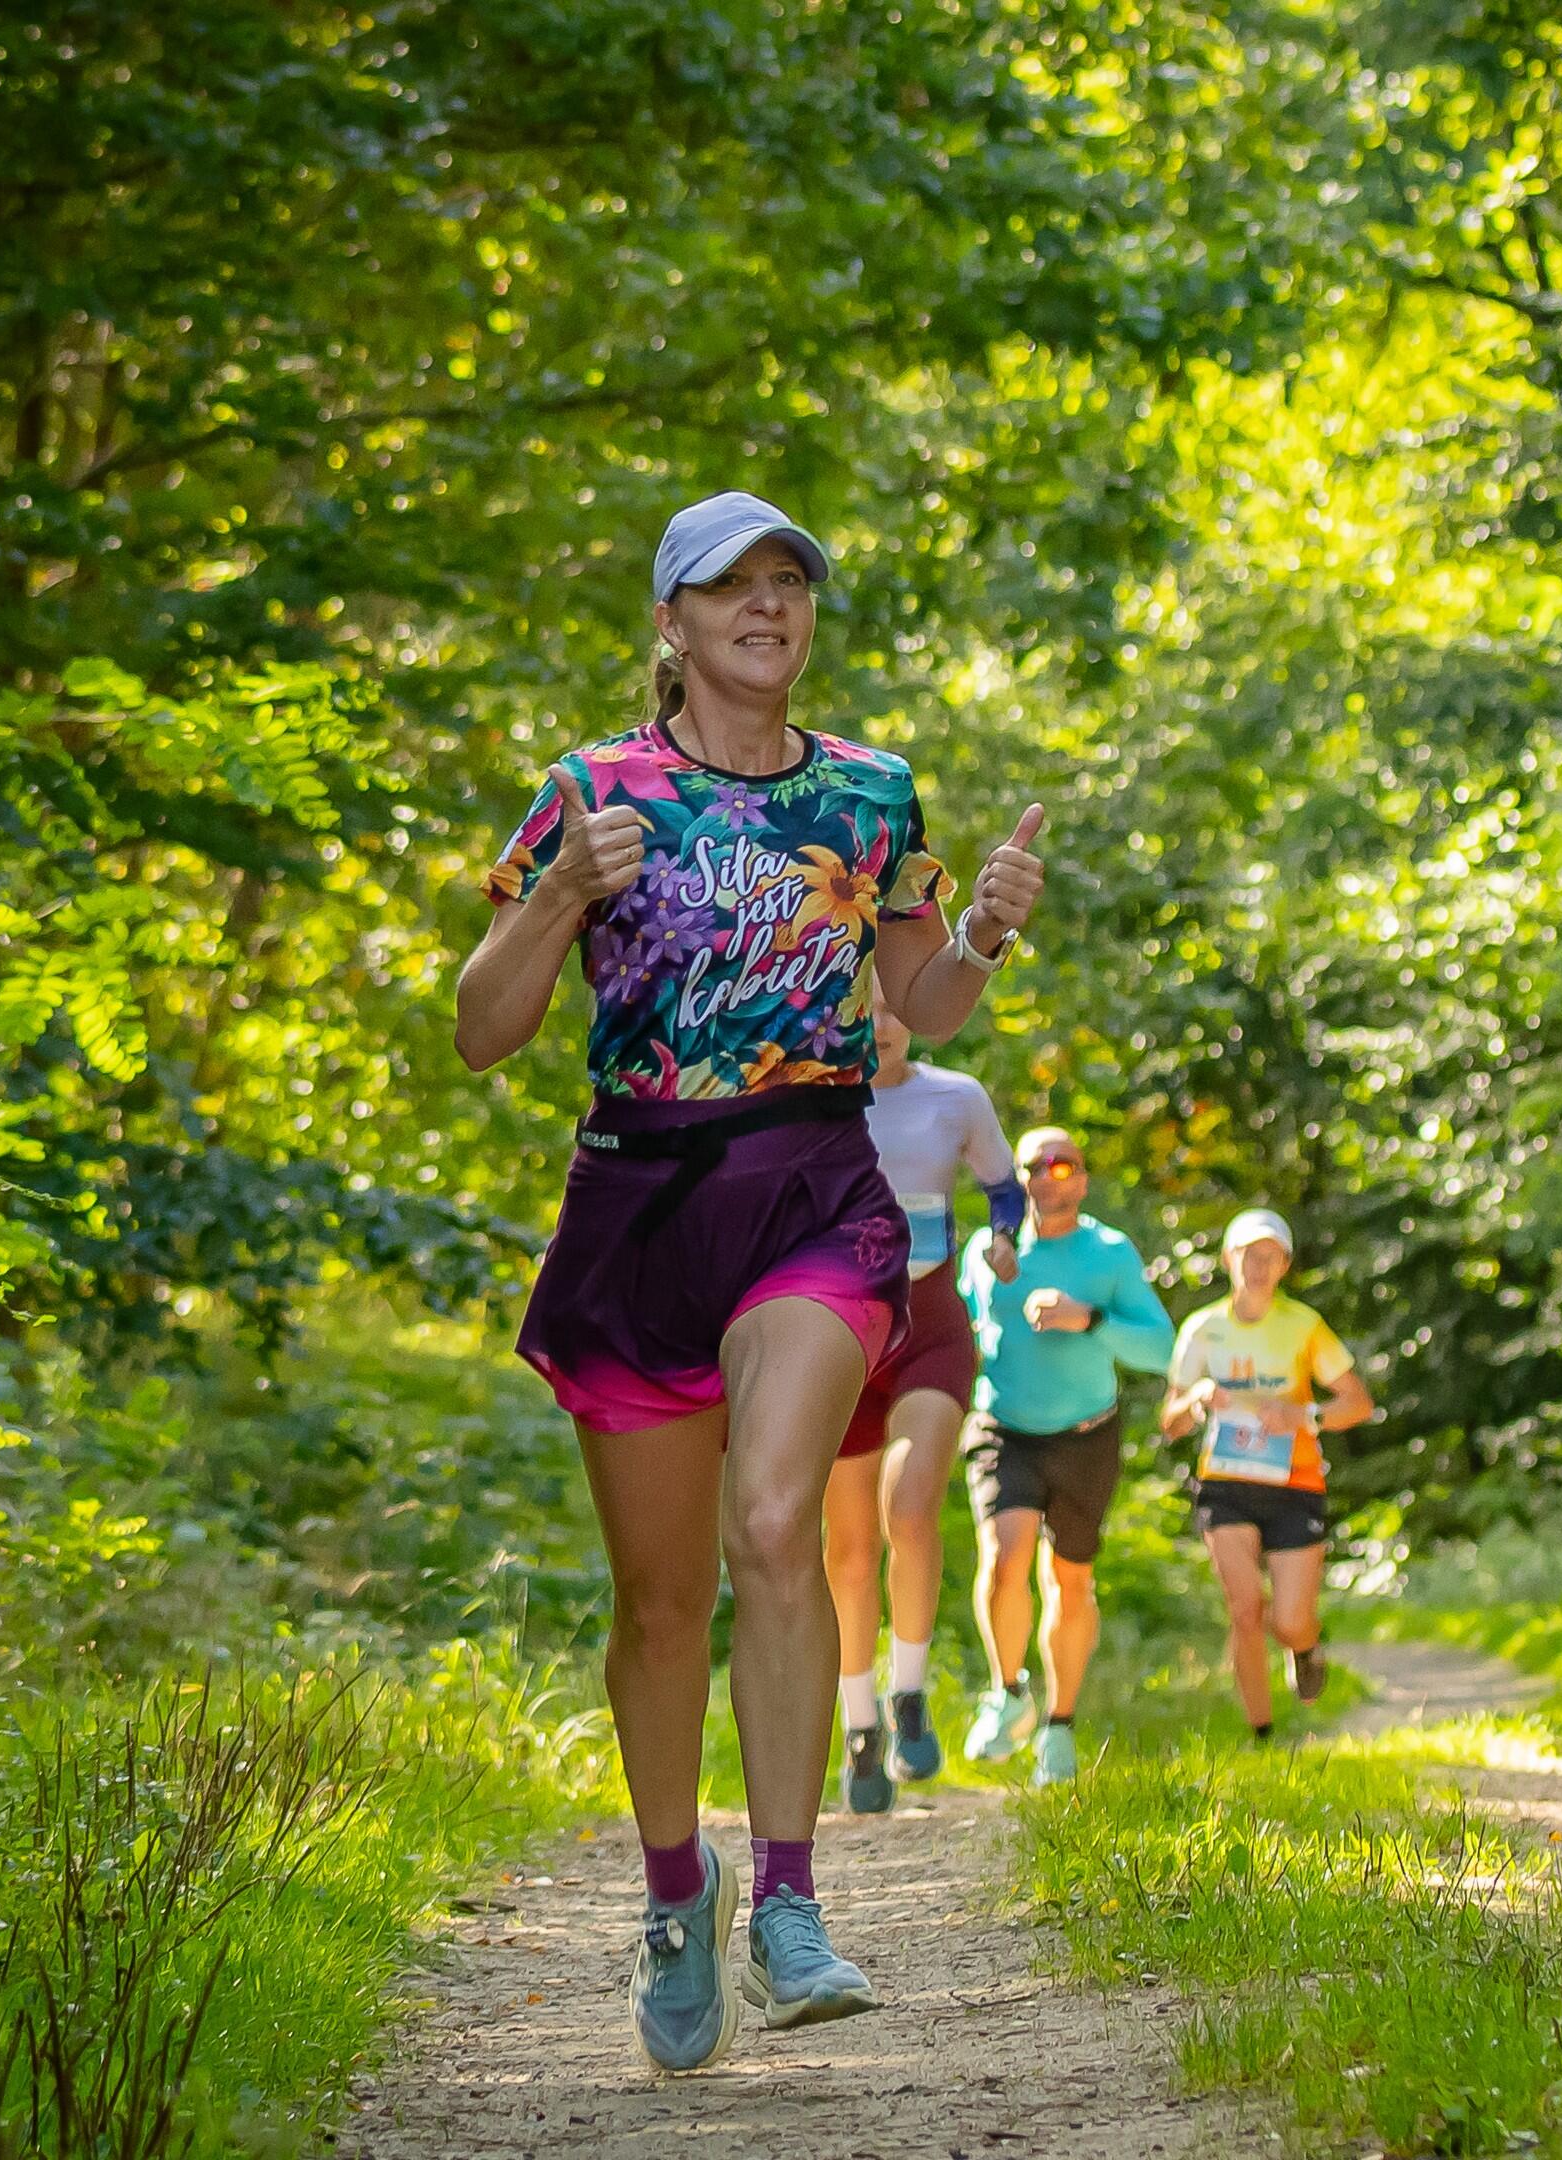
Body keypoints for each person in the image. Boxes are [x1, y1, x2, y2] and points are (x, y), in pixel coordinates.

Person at [452, 490, 1047, 2075]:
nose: (767, 607)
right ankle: (676, 1897)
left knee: (777, 1521)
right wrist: (563, 894)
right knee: (660, 1606)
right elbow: (482, 1031)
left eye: (790, 583)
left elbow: (926, 998)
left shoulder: (869, 792)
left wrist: (983, 935)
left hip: (812, 1190)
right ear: (674, 622)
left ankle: (790, 1902)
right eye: (732, 587)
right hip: (640, 1202)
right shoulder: (592, 794)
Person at [822, 979, 1026, 1813]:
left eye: (896, 1006)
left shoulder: (956, 1097)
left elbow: (1004, 1188)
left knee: (909, 1508)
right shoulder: (812, 1099)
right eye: (865, 1007)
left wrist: (1005, 1240)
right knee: (847, 1550)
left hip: (929, 1329)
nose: (883, 1024)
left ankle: (909, 1692)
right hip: (838, 1339)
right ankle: (859, 1726)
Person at [954, 1125, 1175, 1783]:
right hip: (1003, 1427)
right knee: (1004, 1557)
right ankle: (1007, 1692)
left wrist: (1091, 1319)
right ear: (1015, 1178)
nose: (1049, 1174)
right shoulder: (986, 1251)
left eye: (1063, 1163)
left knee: (1069, 1581)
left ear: (1082, 1178)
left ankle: (1059, 1727)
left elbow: (1162, 1350)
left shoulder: (1108, 1253)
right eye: (1034, 1164)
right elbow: (954, 1332)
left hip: (1085, 1435)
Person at [1159, 1208, 1375, 1739]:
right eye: (1248, 1254)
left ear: (1285, 1265)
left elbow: (1358, 1403)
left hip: (1294, 1483)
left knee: (1289, 1621)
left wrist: (1304, 1416)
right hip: (1225, 1483)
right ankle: (1263, 1736)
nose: (1258, 1266)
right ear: (1228, 1259)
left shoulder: (1304, 1325)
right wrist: (1197, 1397)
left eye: (1270, 1256)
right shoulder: (1203, 1328)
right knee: (1245, 1608)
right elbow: (1170, 1423)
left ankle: (1305, 1646)